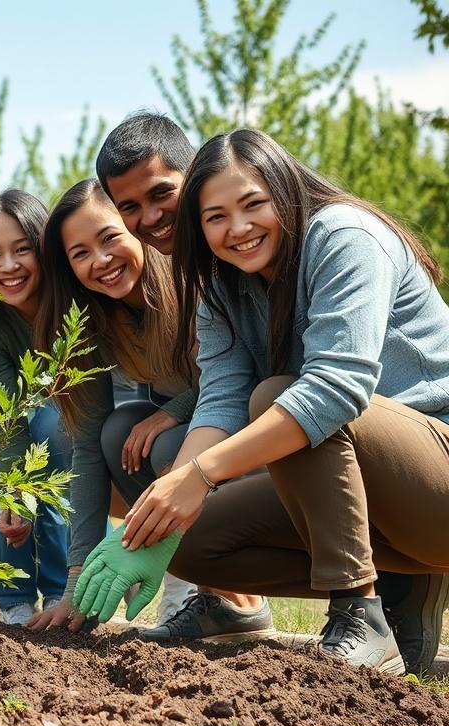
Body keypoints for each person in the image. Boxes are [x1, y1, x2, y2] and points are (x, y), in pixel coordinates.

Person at [89, 128, 449, 675]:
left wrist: (200, 476)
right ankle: (396, 584)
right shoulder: (218, 284)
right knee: (192, 545)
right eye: (216, 217)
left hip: (433, 476)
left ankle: (359, 611)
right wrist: (163, 509)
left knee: (283, 399)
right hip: (368, 491)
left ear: (284, 190)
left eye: (253, 204)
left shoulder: (344, 236)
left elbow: (335, 389)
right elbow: (221, 401)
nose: (238, 229)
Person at [95, 111, 264, 637]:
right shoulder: (205, 274)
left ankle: (342, 597)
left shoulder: (237, 250)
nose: (149, 216)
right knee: (130, 433)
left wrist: (188, 472)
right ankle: (226, 604)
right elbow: (225, 384)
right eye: (130, 207)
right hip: (260, 425)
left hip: (354, 430)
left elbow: (261, 379)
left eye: (161, 193)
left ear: (193, 175)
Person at [27, 180, 203, 634]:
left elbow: (239, 380)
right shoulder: (94, 320)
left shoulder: (192, 283)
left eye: (109, 238)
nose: (101, 261)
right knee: (117, 432)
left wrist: (174, 411)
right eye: (80, 253)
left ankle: (198, 588)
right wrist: (74, 580)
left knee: (162, 446)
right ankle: (194, 582)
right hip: (182, 428)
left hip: (241, 428)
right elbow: (84, 446)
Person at [0, 189, 70, 625]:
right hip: (18, 429)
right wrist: (14, 496)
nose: (8, 266)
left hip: (75, 425)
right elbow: (7, 415)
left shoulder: (74, 303)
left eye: (22, 249)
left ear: (44, 249)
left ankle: (67, 591)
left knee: (55, 426)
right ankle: (15, 601)